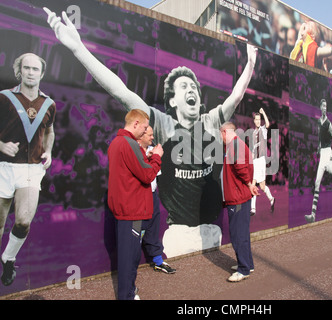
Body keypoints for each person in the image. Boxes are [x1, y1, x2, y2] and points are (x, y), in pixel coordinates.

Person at [44, 8, 257, 258]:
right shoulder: (163, 124)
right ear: (174, 100)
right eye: (184, 86)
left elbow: (237, 95)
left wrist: (251, 62)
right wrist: (78, 49)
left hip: (212, 231)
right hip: (179, 235)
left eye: (194, 87)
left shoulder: (210, 121)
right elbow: (121, 92)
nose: (192, 90)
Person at [0, 53, 56, 287]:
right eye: (27, 68)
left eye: (35, 69)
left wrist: (49, 151)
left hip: (31, 169)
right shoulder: (4, 98)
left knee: (23, 221)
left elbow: (50, 131)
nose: (31, 72)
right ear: (19, 71)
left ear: (42, 74)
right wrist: (1, 145)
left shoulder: (49, 104)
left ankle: (8, 258)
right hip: (3, 167)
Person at [107, 109, 163, 300]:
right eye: (145, 127)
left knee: (129, 257)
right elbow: (147, 175)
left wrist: (148, 159)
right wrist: (156, 157)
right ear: (136, 123)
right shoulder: (128, 143)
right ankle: (127, 295)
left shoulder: (118, 143)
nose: (147, 132)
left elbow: (132, 170)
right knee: (129, 258)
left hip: (128, 209)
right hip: (132, 211)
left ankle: (129, 291)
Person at [220, 122, 259, 282]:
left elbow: (241, 168)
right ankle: (247, 264)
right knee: (242, 233)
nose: (220, 138)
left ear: (224, 132)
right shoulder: (237, 144)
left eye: (220, 134)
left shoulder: (234, 145)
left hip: (237, 198)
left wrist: (250, 185)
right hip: (239, 197)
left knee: (238, 234)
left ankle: (243, 269)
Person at [136, 127, 175, 274]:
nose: (153, 137)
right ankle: (130, 268)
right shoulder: (133, 151)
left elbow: (153, 175)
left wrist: (154, 157)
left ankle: (158, 261)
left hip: (152, 195)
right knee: (136, 232)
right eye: (150, 135)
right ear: (141, 135)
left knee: (153, 228)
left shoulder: (153, 151)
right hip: (138, 198)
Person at [305, 99, 332, 223]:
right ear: (320, 107)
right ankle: (313, 214)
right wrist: (318, 146)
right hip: (322, 152)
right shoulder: (319, 121)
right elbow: (319, 135)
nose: (324, 108)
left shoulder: (328, 123)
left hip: (328, 152)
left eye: (326, 106)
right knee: (317, 182)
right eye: (323, 105)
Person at [250, 108, 275, 215]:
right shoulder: (253, 133)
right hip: (255, 160)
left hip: (261, 161)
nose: (258, 121)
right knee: (253, 184)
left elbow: (268, 124)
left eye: (259, 119)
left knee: (262, 187)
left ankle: (272, 199)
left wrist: (263, 112)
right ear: (254, 121)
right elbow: (253, 149)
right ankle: (253, 209)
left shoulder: (263, 130)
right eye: (256, 119)